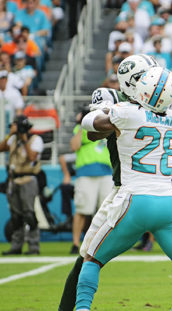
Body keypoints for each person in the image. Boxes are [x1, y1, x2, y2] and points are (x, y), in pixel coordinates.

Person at [75, 66, 172, 311]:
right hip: (168, 202)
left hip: (135, 200)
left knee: (92, 260)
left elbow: (89, 124)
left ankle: (82, 308)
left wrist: (104, 110)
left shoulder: (126, 113)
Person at [67, 105, 113, 255]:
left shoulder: (104, 126)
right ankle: (75, 243)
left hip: (106, 172)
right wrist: (81, 125)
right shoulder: (79, 129)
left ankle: (102, 243)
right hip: (86, 173)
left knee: (106, 211)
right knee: (82, 210)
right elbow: (74, 146)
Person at [0, 115, 43, 255]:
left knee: (29, 214)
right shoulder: (13, 139)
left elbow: (32, 157)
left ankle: (33, 247)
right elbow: (1, 148)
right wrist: (10, 135)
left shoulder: (36, 140)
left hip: (28, 179)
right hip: (14, 180)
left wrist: (24, 141)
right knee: (15, 216)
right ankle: (16, 246)